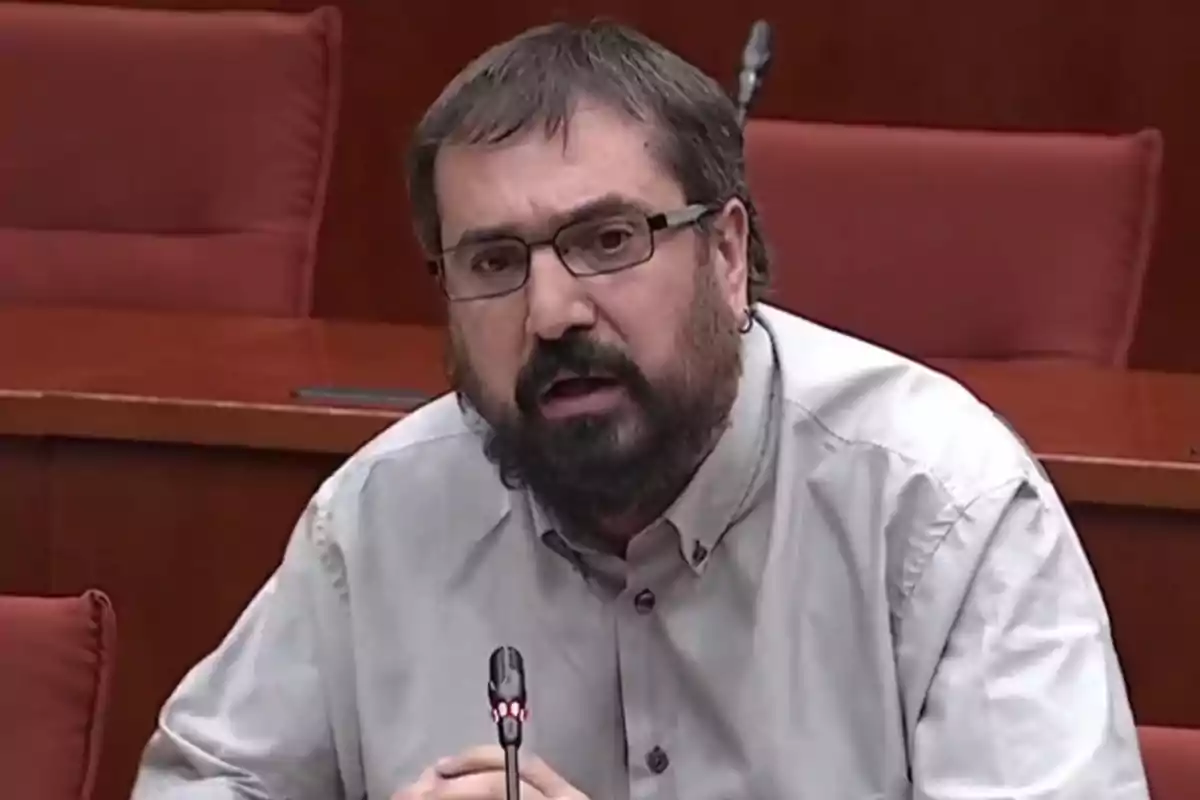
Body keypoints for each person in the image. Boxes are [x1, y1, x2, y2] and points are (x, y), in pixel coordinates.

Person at [132, 20, 1149, 800]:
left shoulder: (942, 508)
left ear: (728, 254)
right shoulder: (382, 514)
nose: (551, 309)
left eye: (609, 239)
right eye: (492, 261)